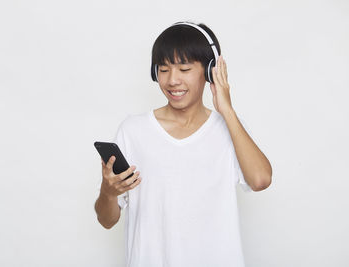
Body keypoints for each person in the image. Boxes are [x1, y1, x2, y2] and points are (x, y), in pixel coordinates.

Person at [94, 21, 272, 267]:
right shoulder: (133, 131)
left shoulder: (230, 128)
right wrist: (108, 192)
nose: (172, 81)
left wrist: (227, 109)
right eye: (163, 69)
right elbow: (106, 220)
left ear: (210, 71)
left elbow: (261, 180)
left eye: (184, 68)